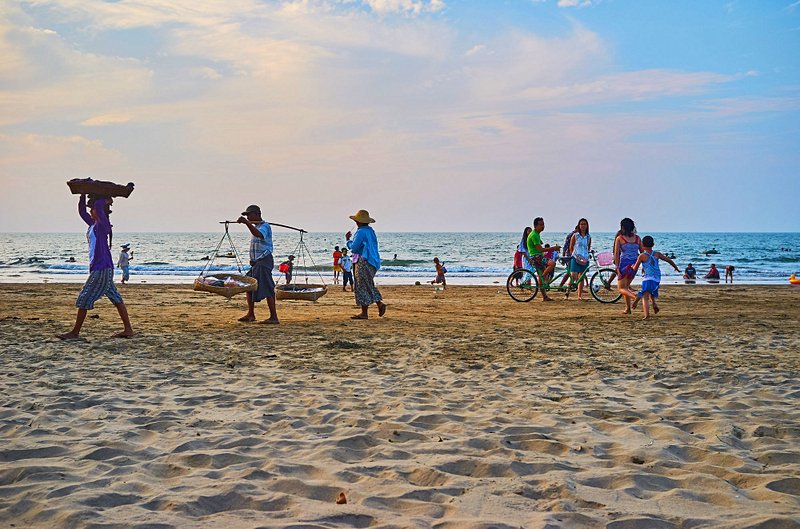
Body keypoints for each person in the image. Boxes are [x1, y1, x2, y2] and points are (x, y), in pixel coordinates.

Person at [57, 194, 134, 340]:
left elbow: (98, 208)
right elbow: (81, 212)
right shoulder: (92, 225)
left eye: (92, 209)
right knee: (116, 298)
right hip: (100, 267)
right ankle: (128, 330)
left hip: (102, 268)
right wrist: (82, 195)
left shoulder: (102, 225)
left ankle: (75, 333)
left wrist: (105, 200)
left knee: (84, 298)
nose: (91, 211)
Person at [237, 205, 278, 324]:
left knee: (268, 288)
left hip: (264, 261)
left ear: (257, 214)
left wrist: (246, 223)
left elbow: (258, 234)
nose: (248, 217)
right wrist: (248, 223)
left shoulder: (265, 226)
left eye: (249, 215)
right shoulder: (256, 226)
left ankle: (274, 317)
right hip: (256, 263)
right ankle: (251, 314)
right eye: (247, 216)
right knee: (249, 286)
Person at [346, 209, 386, 319]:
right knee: (367, 283)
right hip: (373, 260)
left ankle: (368, 311)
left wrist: (348, 241)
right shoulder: (370, 231)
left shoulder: (361, 232)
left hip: (364, 260)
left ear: (358, 221)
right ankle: (376, 305)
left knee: (361, 285)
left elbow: (354, 248)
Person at [630, 236, 680, 319]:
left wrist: (632, 267)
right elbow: (669, 260)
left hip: (648, 278)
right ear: (653, 244)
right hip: (657, 278)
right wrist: (676, 268)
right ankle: (653, 304)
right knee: (650, 291)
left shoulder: (642, 256)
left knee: (645, 296)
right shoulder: (657, 254)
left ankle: (646, 315)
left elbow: (635, 268)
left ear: (642, 245)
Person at [526, 217, 561, 302]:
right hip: (536, 257)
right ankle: (543, 276)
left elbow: (539, 244)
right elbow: (541, 249)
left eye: (543, 224)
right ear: (536, 226)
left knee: (540, 279)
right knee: (552, 264)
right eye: (541, 225)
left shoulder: (536, 234)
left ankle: (545, 297)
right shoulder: (534, 235)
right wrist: (553, 248)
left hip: (537, 256)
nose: (543, 226)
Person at [613, 218, 642, 314]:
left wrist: (617, 267)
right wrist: (644, 267)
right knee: (626, 286)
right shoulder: (637, 238)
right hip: (635, 265)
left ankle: (635, 296)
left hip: (624, 265)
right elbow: (642, 253)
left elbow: (616, 254)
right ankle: (628, 308)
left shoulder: (620, 238)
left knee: (621, 288)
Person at [568, 218, 591, 301]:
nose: (583, 226)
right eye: (581, 224)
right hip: (575, 257)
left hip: (584, 258)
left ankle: (579, 295)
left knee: (581, 277)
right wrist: (572, 255)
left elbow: (588, 247)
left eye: (584, 224)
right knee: (573, 276)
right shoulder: (575, 235)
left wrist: (588, 254)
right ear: (579, 225)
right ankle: (568, 291)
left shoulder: (588, 237)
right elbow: (571, 246)